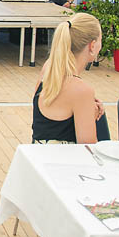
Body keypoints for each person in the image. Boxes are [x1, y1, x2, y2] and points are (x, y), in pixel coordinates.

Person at [31, 14, 105, 144]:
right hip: (65, 157)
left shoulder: (48, 68)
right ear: (92, 46)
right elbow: (88, 148)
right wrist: (91, 117)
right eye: (100, 40)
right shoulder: (82, 91)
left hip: (38, 154)